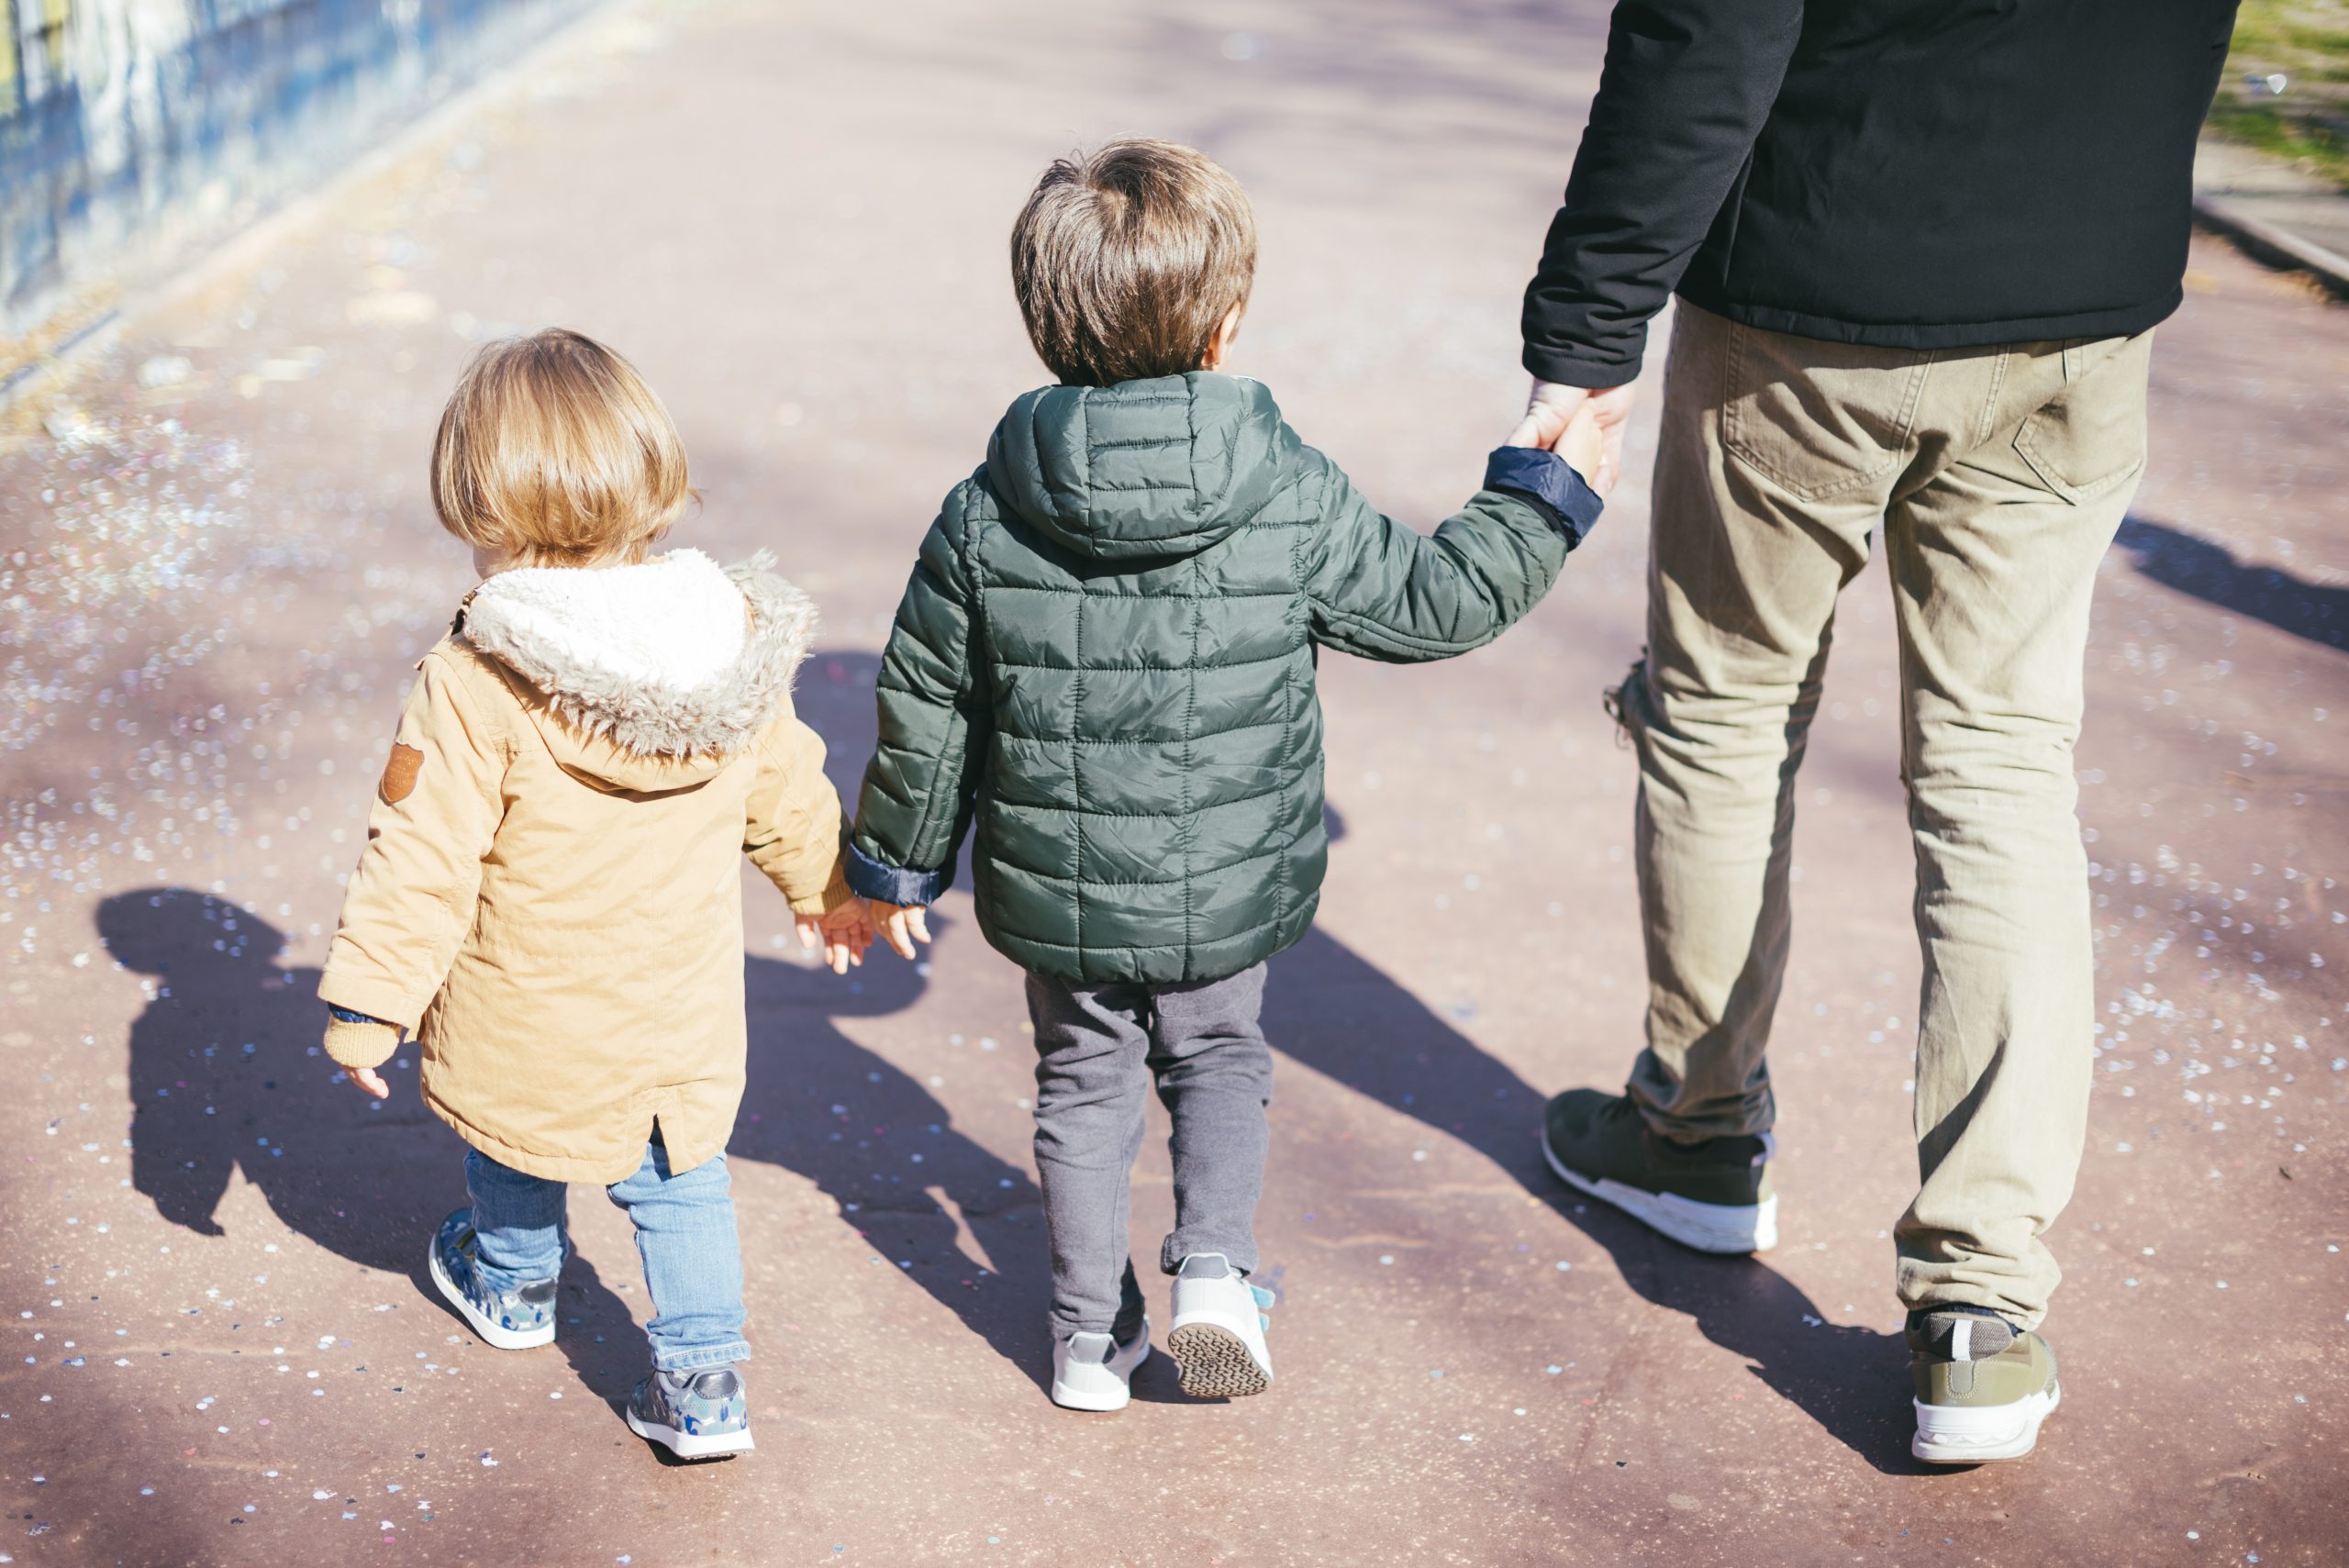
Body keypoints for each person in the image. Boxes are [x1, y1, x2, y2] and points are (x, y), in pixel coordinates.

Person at [1510, 0, 2238, 1464]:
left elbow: (1706, 27)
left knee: (1722, 708)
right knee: (2002, 766)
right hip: (2078, 296)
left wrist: (1589, 326)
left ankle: (1697, 1132)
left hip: (1808, 282)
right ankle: (1980, 1313)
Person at [843, 139, 1606, 1412]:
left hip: (1064, 896)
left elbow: (929, 698)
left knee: (1083, 1083)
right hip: (1224, 885)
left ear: (1044, 319)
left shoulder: (985, 508)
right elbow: (1433, 600)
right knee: (1219, 1059)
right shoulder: (1282, 487)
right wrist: (1544, 491)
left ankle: (1088, 1339)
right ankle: (1215, 1271)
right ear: (1225, 323)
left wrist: (896, 864)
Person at [315, 329, 872, 1460]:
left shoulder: (477, 676)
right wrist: (828, 890)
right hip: (677, 1011)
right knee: (679, 1179)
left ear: (483, 507)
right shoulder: (727, 646)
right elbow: (787, 783)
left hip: (529, 1001)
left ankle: (515, 1281)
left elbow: (422, 852)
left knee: (514, 1126)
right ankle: (705, 1382)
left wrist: (370, 1002)